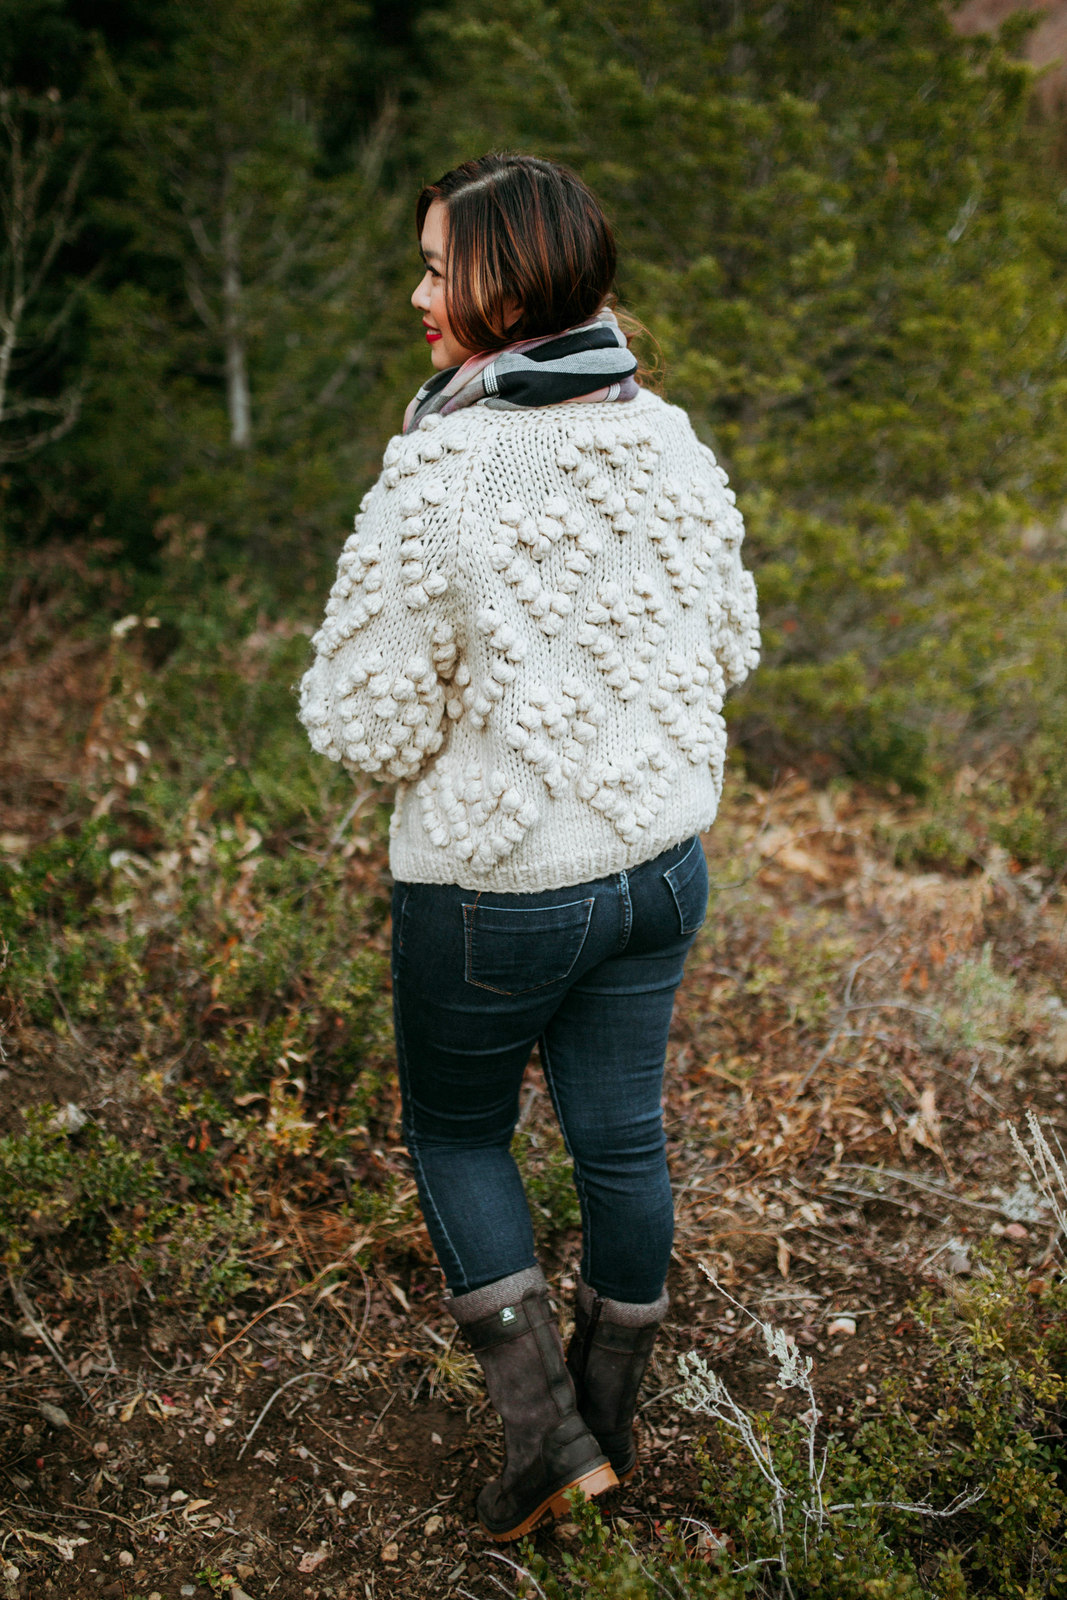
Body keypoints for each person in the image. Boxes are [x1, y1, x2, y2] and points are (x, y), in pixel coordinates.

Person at [298, 151, 760, 1541]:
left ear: (509, 278)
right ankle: (609, 1420)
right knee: (623, 1142)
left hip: (500, 890)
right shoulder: (666, 434)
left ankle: (546, 1444)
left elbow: (365, 729)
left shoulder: (444, 468)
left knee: (457, 1135)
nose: (419, 293)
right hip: (660, 867)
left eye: (440, 266)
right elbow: (727, 645)